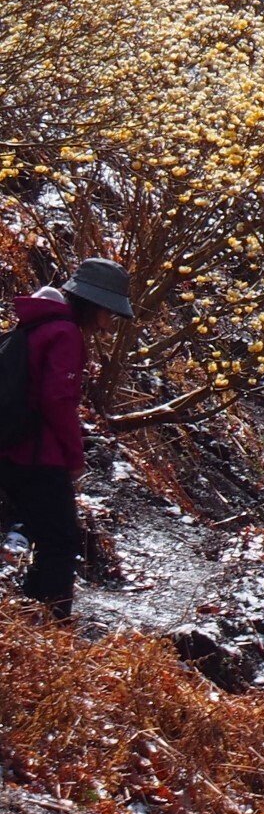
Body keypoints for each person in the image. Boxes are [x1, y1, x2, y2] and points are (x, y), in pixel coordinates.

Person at [1, 259, 133, 618]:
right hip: (38, 456)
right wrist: (74, 459)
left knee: (46, 536)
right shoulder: (65, 334)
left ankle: (28, 615)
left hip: (13, 448)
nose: (109, 324)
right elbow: (57, 401)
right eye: (109, 313)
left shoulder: (38, 324)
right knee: (60, 541)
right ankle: (51, 625)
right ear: (95, 306)